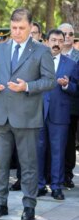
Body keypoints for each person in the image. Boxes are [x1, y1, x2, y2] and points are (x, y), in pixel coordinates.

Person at [0, 8, 55, 220]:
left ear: (31, 27)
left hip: (27, 117)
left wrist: (27, 86)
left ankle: (29, 205)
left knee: (29, 164)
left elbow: (50, 80)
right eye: (14, 28)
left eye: (21, 28)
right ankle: (0, 203)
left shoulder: (41, 51)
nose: (16, 32)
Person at [37, 29, 78, 201]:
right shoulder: (37, 61)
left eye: (60, 41)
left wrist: (67, 86)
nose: (57, 43)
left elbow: (77, 89)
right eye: (53, 39)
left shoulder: (71, 64)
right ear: (46, 41)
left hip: (60, 114)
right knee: (38, 151)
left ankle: (56, 186)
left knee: (58, 152)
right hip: (38, 113)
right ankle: (39, 185)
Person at [57, 23, 79, 189]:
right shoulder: (50, 54)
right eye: (64, 33)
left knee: (69, 142)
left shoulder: (78, 57)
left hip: (72, 107)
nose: (68, 36)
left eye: (71, 34)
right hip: (53, 106)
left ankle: (67, 175)